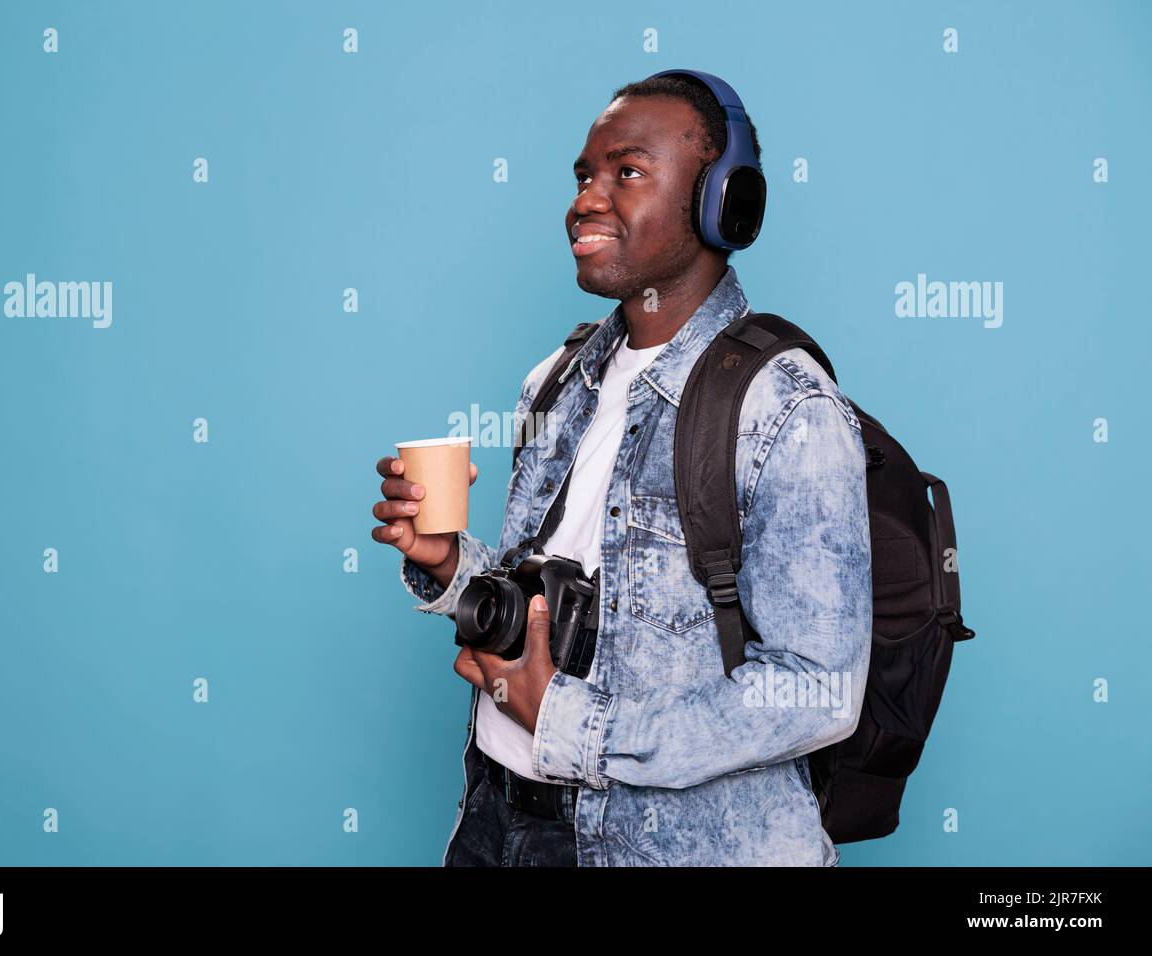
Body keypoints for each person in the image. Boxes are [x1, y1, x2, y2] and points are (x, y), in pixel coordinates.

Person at [371, 72, 872, 866]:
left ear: (721, 202)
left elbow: (817, 686)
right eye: (583, 176)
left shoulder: (785, 408)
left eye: (627, 173)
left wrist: (572, 725)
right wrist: (450, 568)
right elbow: (544, 611)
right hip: (498, 819)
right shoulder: (557, 379)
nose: (587, 200)